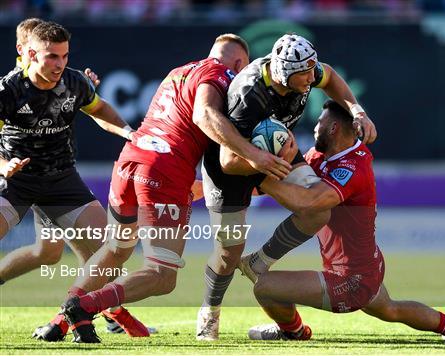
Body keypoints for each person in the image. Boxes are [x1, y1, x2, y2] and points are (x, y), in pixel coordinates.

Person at [59, 33, 291, 343]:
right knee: (162, 275)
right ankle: (84, 306)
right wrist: (256, 157)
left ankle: (60, 320)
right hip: (164, 171)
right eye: (243, 69)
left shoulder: (177, 73)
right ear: (238, 63)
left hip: (131, 160)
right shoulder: (221, 75)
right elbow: (205, 117)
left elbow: (179, 128)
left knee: (115, 250)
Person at [239, 100, 445, 341]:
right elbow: (283, 181)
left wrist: (259, 178)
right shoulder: (320, 155)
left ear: (334, 127)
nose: (315, 127)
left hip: (350, 280)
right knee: (391, 310)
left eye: (319, 121)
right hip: (366, 269)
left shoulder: (352, 168)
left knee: (264, 287)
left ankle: (293, 332)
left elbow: (310, 202)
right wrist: (243, 177)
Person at [196, 33, 376, 341]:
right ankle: (209, 312)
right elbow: (228, 159)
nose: (311, 79)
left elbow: (329, 75)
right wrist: (263, 164)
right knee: (228, 252)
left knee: (318, 209)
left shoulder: (302, 70)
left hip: (277, 154)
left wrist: (357, 110)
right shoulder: (248, 94)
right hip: (233, 165)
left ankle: (258, 263)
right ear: (282, 73)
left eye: (311, 70)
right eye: (304, 74)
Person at [0, 20, 148, 341]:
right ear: (26, 53)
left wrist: (127, 132)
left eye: (64, 56)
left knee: (106, 251)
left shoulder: (75, 82)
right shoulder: (8, 90)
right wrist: (3, 165)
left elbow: (100, 109)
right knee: (48, 252)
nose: (60, 64)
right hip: (15, 180)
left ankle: (90, 312)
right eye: (52, 56)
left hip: (60, 179)